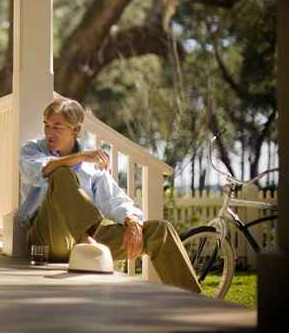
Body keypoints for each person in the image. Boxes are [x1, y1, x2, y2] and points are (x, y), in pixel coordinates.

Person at [16, 97, 201, 293]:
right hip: (48, 239)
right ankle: (84, 239)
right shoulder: (33, 149)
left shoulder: (92, 166)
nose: (48, 133)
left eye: (57, 127)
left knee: (159, 231)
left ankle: (195, 303)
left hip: (92, 243)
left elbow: (114, 199)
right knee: (62, 173)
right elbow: (42, 169)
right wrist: (81, 156)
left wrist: (132, 222)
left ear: (76, 130)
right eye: (46, 125)